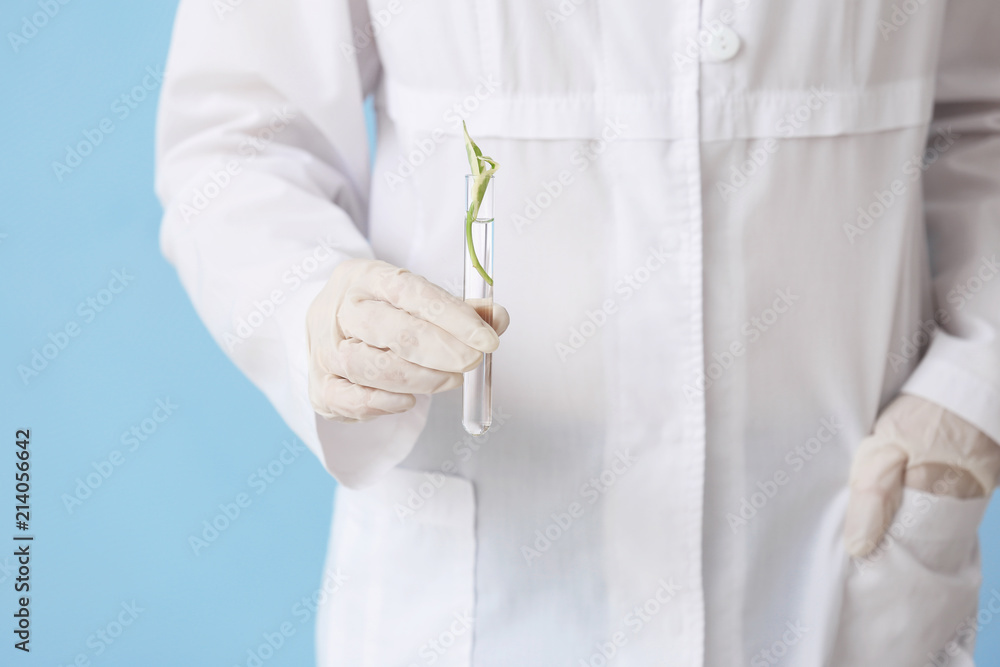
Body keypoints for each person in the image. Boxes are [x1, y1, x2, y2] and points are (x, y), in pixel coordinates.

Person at [155, 1, 1000, 664]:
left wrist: (971, 388)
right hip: (487, 584)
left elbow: (988, 117)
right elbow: (239, 137)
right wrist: (313, 307)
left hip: (833, 548)